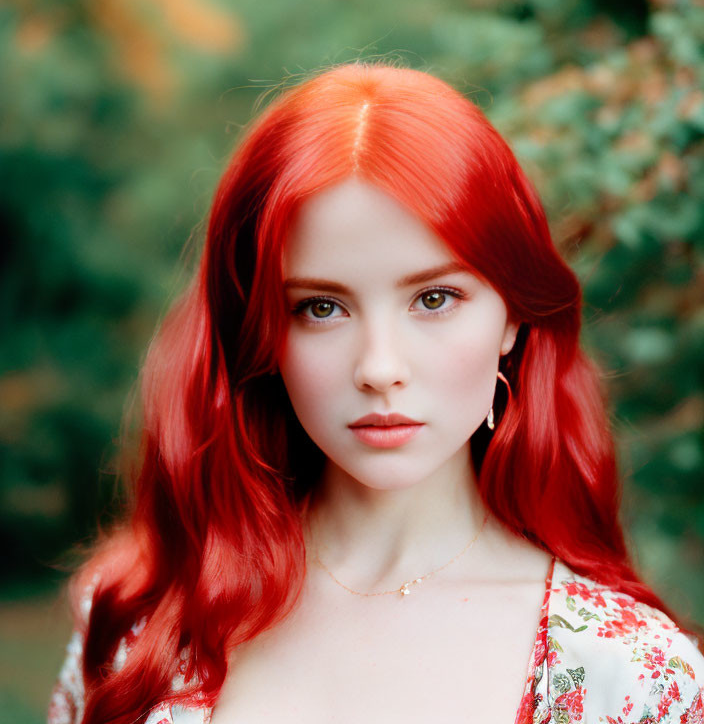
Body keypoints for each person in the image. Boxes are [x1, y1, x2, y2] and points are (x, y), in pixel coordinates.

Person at [49, 62, 704, 724]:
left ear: (512, 316)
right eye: (321, 308)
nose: (379, 367)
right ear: (261, 333)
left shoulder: (629, 677)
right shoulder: (143, 626)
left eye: (434, 298)